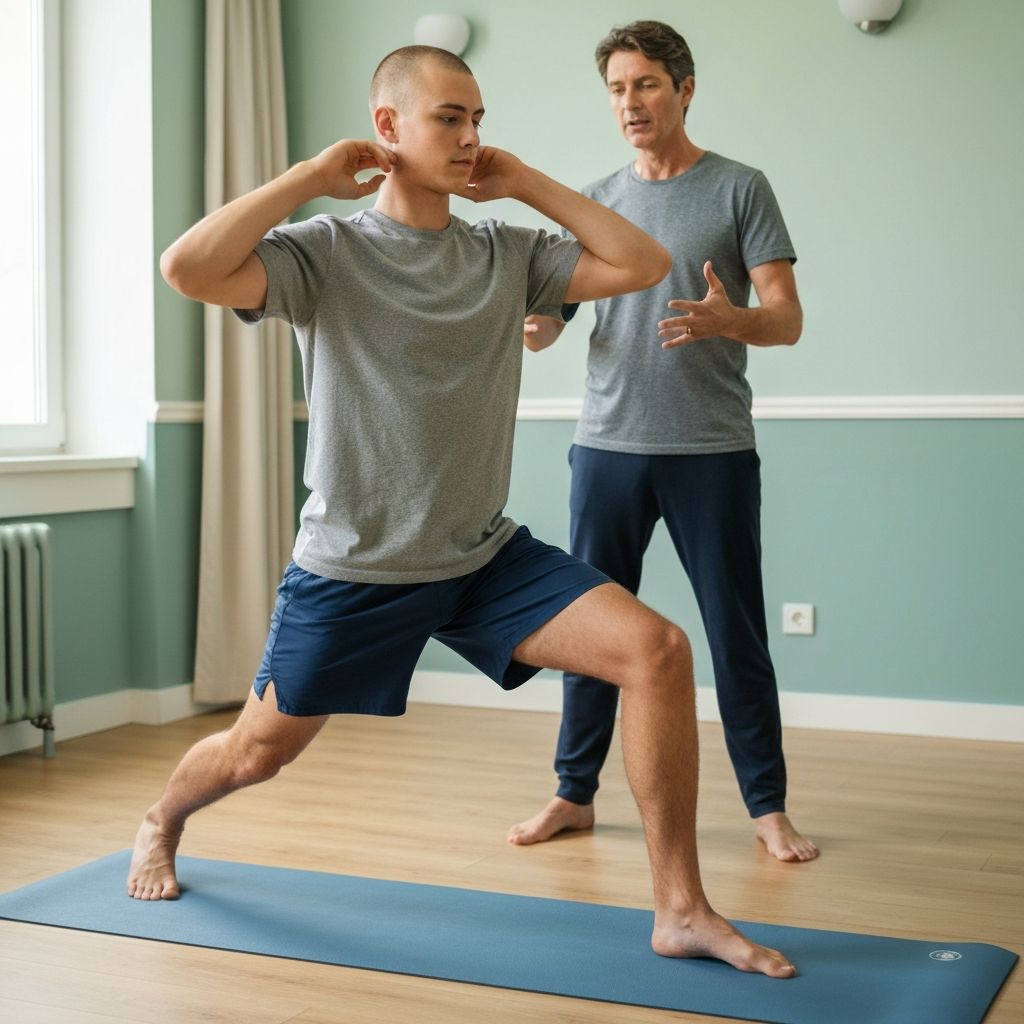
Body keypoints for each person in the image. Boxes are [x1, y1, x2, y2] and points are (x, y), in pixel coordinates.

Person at [129, 44, 796, 978]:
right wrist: (311, 178)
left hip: (483, 559)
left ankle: (680, 908)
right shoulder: (325, 253)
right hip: (355, 567)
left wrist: (522, 181)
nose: (473, 135)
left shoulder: (505, 251)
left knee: (658, 651)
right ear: (389, 128)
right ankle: (161, 818)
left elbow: (641, 262)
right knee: (253, 756)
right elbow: (188, 269)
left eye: (478, 118)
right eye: (451, 117)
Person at [508, 21, 818, 863]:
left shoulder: (739, 189)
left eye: (645, 84)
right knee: (589, 633)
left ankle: (767, 806)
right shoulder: (595, 200)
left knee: (734, 631)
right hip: (606, 447)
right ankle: (574, 793)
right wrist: (509, 314)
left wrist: (733, 321)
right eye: (616, 88)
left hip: (711, 450)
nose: (630, 103)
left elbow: (785, 319)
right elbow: (546, 328)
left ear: (684, 89)